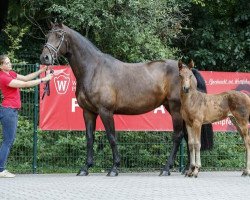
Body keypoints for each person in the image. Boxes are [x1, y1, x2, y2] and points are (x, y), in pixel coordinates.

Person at [0, 54, 53, 178]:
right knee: (8, 141)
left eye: (9, 62)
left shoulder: (10, 73)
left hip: (10, 110)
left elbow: (25, 78)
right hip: (9, 110)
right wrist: (43, 80)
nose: (10, 64)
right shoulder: (3, 77)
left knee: (8, 141)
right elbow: (24, 85)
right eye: (6, 63)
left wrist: (41, 71)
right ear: (1, 66)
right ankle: (1, 170)